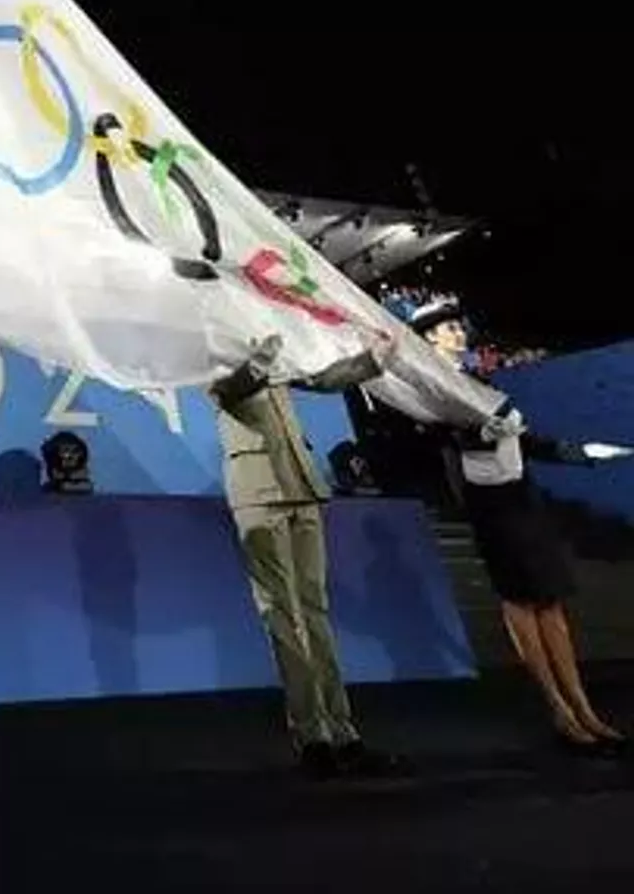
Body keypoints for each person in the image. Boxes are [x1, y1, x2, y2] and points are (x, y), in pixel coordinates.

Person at [209, 332, 407, 779]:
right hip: (258, 490)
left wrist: (370, 361)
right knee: (283, 616)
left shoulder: (271, 343)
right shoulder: (211, 345)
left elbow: (320, 379)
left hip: (303, 483)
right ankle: (312, 736)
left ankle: (345, 734)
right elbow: (228, 390)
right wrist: (258, 361)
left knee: (316, 614)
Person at [431, 376, 623, 753]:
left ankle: (584, 706)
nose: (456, 332)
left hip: (525, 503)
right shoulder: (439, 390)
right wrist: (482, 433)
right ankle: (558, 708)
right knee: (519, 602)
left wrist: (582, 453)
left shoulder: (484, 387)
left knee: (550, 603)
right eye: (447, 327)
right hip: (493, 509)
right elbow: (442, 437)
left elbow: (525, 441)